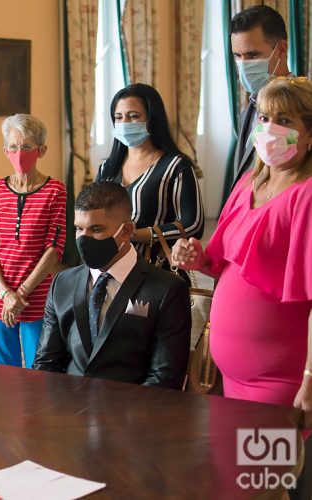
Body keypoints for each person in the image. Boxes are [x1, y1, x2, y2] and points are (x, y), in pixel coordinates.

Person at [172, 76, 312, 417]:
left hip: (280, 379)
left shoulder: (306, 193)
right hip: (227, 376)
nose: (269, 128)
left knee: (264, 468)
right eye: (264, 118)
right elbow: (221, 263)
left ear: (309, 133)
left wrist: (310, 377)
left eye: (284, 121)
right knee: (235, 466)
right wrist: (195, 258)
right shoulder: (249, 182)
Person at [33, 181, 190, 389]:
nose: (83, 239)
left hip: (131, 414)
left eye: (96, 229)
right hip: (68, 410)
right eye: (79, 229)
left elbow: (165, 377)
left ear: (126, 231)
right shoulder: (62, 283)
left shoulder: (167, 290)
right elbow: (46, 362)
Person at [0, 114, 66, 367]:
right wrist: (5, 293)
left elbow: (54, 248)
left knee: (36, 366)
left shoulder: (55, 190)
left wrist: (20, 294)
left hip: (36, 294)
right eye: (14, 146)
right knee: (4, 367)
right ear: (5, 149)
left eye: (27, 146)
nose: (20, 152)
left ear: (42, 150)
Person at [96, 84, 203, 271]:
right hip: (109, 267)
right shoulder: (107, 168)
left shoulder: (176, 166)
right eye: (119, 117)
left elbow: (193, 224)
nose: (125, 123)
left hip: (155, 271)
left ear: (152, 120)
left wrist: (138, 234)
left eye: (134, 116)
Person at [229, 5, 291, 190]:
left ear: (280, 49)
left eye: (252, 55)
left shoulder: (303, 108)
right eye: (237, 56)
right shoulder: (248, 110)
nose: (243, 64)